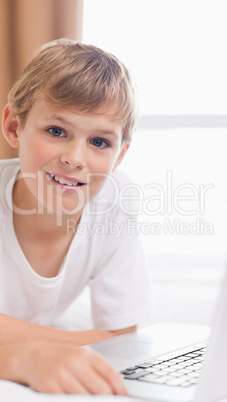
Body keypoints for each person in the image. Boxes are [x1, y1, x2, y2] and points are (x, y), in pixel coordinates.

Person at [0, 38, 152, 394]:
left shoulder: (116, 200)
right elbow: (109, 341)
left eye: (99, 142)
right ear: (14, 128)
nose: (75, 158)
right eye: (56, 131)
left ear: (120, 155)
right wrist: (20, 356)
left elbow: (123, 337)